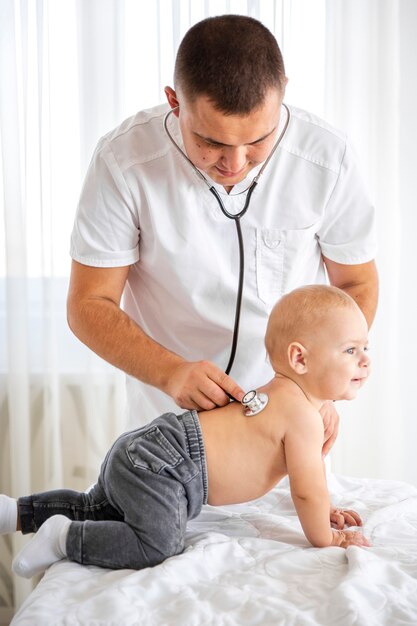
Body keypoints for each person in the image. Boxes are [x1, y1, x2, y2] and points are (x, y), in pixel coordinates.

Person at [67, 15, 378, 453]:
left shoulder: (328, 158)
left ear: (283, 91)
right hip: (164, 432)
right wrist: (170, 371)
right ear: (175, 103)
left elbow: (355, 282)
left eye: (257, 140)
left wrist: (318, 386)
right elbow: (88, 304)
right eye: (210, 141)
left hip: (291, 426)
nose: (234, 163)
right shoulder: (123, 161)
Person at [2, 285, 371, 578]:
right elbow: (306, 493)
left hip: (150, 449)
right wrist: (329, 536)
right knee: (157, 544)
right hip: (167, 467)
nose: (365, 360)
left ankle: (17, 513)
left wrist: (325, 509)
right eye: (351, 350)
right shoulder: (302, 417)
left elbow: (312, 491)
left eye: (365, 348)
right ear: (300, 359)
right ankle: (63, 538)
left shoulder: (285, 398)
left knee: (98, 509)